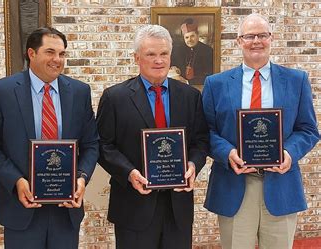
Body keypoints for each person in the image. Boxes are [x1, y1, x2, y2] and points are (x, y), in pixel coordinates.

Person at [202, 13, 319, 249]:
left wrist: (288, 153)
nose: (256, 41)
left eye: (262, 35)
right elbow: (205, 131)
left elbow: (308, 129)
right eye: (249, 36)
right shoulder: (216, 84)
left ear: (271, 38)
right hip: (233, 184)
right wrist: (227, 153)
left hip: (281, 185)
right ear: (238, 41)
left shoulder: (296, 80)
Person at [0, 27, 99, 249]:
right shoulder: (1, 91)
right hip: (21, 207)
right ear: (31, 53)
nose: (57, 60)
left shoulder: (80, 92)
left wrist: (81, 178)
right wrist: (16, 181)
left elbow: (91, 144)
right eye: (50, 52)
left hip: (66, 209)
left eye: (62, 54)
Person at [97, 24, 209, 249]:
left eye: (164, 54)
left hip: (177, 207)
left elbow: (201, 141)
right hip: (133, 205)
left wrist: (193, 165)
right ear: (137, 57)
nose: (159, 60)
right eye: (151, 54)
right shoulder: (114, 98)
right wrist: (129, 173)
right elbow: (102, 145)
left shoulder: (190, 96)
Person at [171, 18, 213, 85]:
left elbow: (210, 75)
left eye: (192, 36)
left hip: (200, 86)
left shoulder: (208, 51)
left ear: (198, 36)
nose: (189, 40)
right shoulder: (177, 50)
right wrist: (174, 68)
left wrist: (188, 82)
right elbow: (171, 67)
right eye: (186, 37)